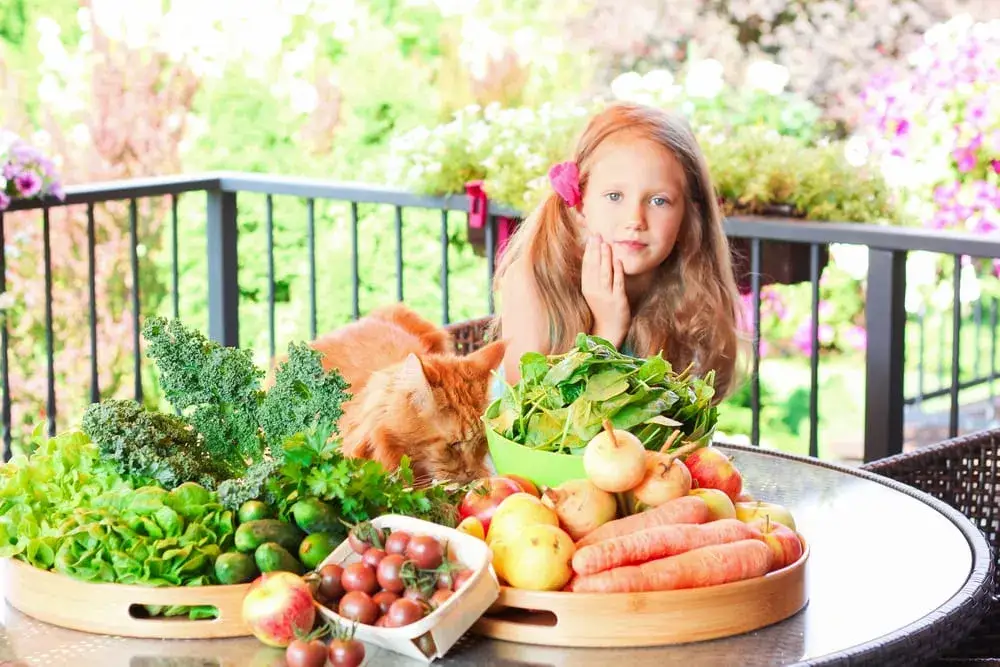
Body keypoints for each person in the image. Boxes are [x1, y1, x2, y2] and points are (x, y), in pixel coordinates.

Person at [490, 102, 745, 401]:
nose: (635, 220)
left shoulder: (687, 293)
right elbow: (528, 416)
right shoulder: (533, 280)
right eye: (615, 196)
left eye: (659, 201)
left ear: (689, 216)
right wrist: (606, 330)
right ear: (581, 203)